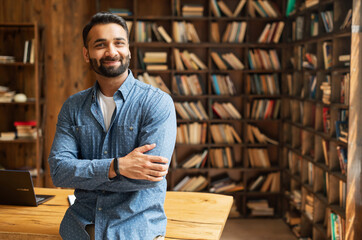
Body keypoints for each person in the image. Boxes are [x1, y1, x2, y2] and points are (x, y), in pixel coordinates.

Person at [48, 12, 177, 240]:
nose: (111, 52)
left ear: (128, 49)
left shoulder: (157, 102)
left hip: (136, 230)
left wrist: (85, 174)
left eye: (119, 43)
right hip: (78, 229)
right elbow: (59, 172)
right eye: (100, 45)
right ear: (87, 54)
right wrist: (117, 166)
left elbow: (149, 176)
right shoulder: (73, 107)